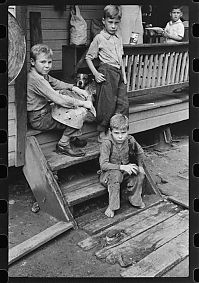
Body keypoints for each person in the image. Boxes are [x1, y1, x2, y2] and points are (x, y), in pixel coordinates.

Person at [27, 43, 94, 157]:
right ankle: (63, 144)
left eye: (49, 62)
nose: (47, 66)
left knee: (73, 105)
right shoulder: (36, 79)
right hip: (39, 118)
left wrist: (75, 88)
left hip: (45, 111)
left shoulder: (41, 74)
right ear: (33, 62)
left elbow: (56, 83)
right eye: (43, 62)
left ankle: (71, 137)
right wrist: (83, 103)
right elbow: (60, 100)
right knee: (79, 113)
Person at [85, 5, 129, 142]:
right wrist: (96, 74)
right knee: (107, 104)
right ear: (104, 21)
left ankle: (116, 128)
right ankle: (102, 132)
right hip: (106, 71)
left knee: (123, 102)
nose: (113, 26)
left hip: (118, 73)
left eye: (116, 23)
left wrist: (124, 76)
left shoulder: (118, 38)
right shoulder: (99, 38)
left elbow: (121, 58)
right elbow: (89, 57)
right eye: (110, 22)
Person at [99, 114, 146, 218]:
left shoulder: (130, 140)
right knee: (115, 175)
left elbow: (140, 152)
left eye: (123, 133)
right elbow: (103, 165)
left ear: (128, 130)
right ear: (110, 131)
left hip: (125, 172)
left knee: (139, 174)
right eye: (116, 133)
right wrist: (123, 167)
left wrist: (141, 167)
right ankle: (112, 206)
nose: (120, 136)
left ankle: (135, 200)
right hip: (109, 175)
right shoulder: (106, 143)